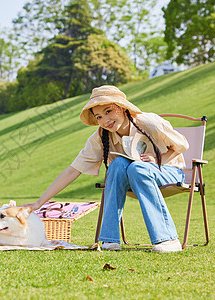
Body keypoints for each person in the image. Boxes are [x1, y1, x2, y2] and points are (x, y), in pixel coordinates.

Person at [22, 85, 189, 253]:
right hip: (135, 174)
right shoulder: (100, 137)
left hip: (169, 171)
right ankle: (110, 239)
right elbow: (73, 170)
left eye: (108, 111)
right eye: (99, 117)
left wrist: (156, 160)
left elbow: (182, 146)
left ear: (122, 108)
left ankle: (168, 239)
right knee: (117, 165)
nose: (105, 120)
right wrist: (38, 203)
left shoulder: (148, 122)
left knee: (138, 168)